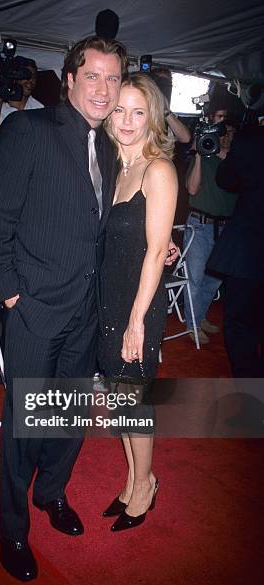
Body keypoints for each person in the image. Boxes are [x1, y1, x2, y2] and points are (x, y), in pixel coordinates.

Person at [0, 36, 128, 582]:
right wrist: (11, 295)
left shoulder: (109, 149)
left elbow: (100, 228)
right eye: (94, 76)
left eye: (113, 79)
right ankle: (12, 529)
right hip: (35, 308)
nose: (104, 89)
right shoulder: (28, 131)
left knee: (66, 416)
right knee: (23, 425)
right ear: (68, 80)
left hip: (86, 310)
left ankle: (53, 495)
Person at [98, 73, 177, 531]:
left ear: (153, 118)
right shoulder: (113, 167)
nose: (127, 120)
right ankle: (132, 479)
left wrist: (136, 321)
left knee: (133, 399)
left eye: (139, 111)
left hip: (137, 305)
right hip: (106, 299)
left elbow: (154, 251)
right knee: (119, 398)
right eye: (120, 109)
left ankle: (145, 485)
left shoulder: (157, 169)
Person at [207, 119, 264, 377]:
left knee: (240, 326)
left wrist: (227, 154)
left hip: (249, 249)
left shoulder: (251, 137)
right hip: (249, 248)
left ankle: (251, 401)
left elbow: (226, 179)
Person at [183, 116, 237, 344]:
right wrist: (199, 155)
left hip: (226, 228)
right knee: (195, 279)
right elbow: (192, 189)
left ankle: (201, 316)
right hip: (199, 225)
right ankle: (192, 325)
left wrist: (217, 153)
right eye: (222, 132)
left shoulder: (236, 161)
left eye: (230, 132)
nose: (225, 136)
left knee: (214, 280)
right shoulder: (205, 156)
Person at [0, 56, 44, 131]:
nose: (30, 81)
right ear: (15, 77)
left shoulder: (39, 108)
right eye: (26, 76)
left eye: (34, 77)